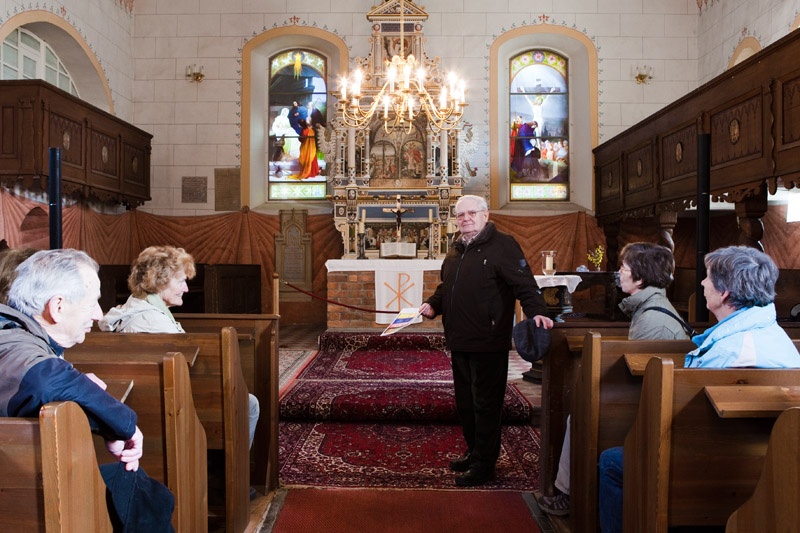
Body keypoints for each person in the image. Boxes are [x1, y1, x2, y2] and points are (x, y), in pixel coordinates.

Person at [597, 245, 800, 533]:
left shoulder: (731, 352)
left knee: (612, 462)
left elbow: (686, 424)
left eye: (707, 277)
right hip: (772, 461)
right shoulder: (773, 335)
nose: (702, 283)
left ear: (725, 293)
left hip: (719, 467)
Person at [0, 249, 174, 531]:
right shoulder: (13, 342)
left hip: (16, 486)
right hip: (18, 504)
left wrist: (79, 385)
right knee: (136, 489)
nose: (98, 314)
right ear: (57, 307)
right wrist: (125, 425)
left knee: (140, 490)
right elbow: (43, 380)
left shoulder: (17, 336)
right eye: (92, 302)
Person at [540, 242, 690, 517]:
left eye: (624, 269)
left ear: (640, 278)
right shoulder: (649, 308)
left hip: (653, 410)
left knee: (582, 415)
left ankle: (570, 494)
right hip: (652, 398)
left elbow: (643, 382)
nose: (618, 273)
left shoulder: (652, 321)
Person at [99, 246, 262, 495]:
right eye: (181, 281)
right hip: (161, 403)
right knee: (247, 404)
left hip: (143, 397)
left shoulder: (133, 309)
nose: (186, 288)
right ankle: (228, 483)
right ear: (159, 281)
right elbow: (186, 370)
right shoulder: (152, 321)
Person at [419, 194, 554, 487]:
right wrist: (432, 304)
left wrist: (538, 312)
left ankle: (484, 464)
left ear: (485, 215)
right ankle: (474, 451)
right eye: (460, 215)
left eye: (471, 213)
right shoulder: (456, 249)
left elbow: (525, 284)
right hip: (459, 341)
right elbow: (448, 287)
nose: (465, 219)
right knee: (465, 404)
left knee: (486, 405)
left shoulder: (503, 246)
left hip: (488, 342)